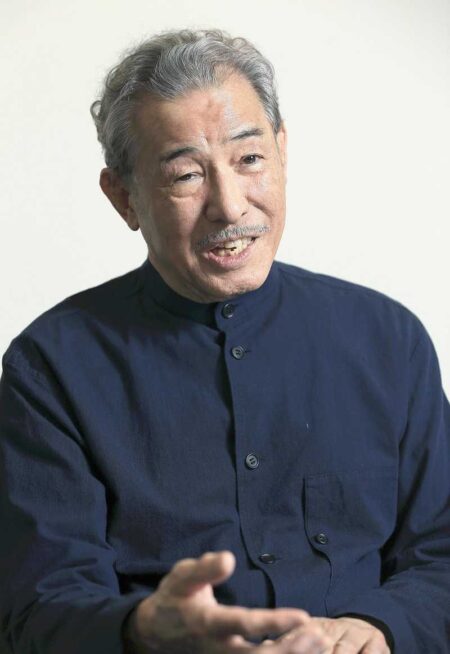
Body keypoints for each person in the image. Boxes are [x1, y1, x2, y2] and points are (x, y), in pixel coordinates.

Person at [0, 29, 449, 654]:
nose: (230, 206)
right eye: (186, 175)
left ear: (282, 152)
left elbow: (440, 552)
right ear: (124, 197)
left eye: (250, 159)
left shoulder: (389, 339)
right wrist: (144, 630)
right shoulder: (49, 367)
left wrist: (377, 628)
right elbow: (39, 606)